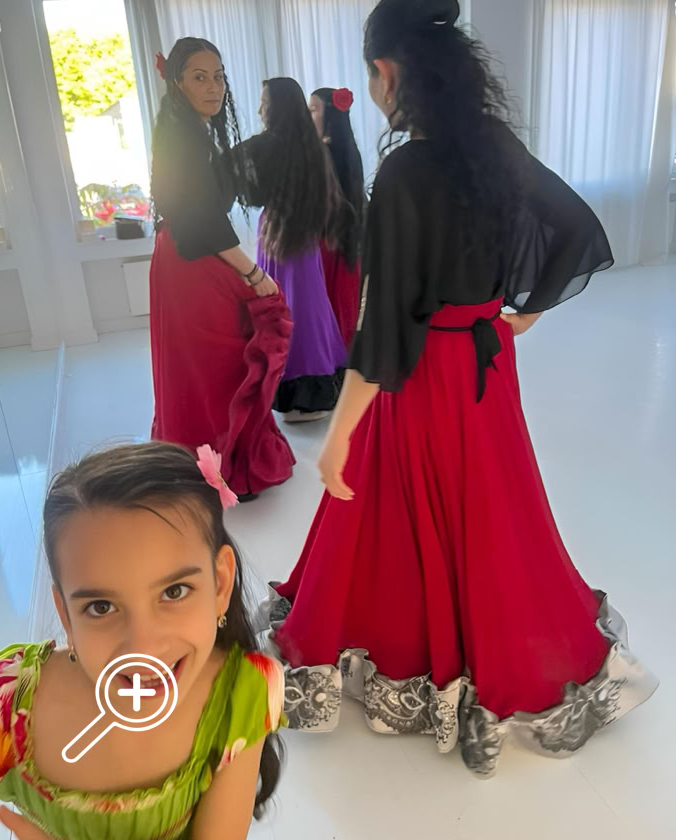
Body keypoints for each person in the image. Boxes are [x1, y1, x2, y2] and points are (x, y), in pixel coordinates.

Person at [258, 0, 658, 777]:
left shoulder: (404, 171)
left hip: (430, 371)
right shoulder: (490, 142)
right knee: (492, 502)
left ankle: (427, 646)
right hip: (487, 360)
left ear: (387, 72)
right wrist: (525, 310)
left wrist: (338, 434)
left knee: (413, 503)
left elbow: (384, 326)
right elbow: (577, 227)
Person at [0, 442, 286, 840]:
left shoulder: (243, 695)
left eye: (174, 592)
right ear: (66, 616)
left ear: (220, 585)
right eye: (101, 607)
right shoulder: (3, 704)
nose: (143, 648)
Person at [150, 38, 295, 499]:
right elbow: (203, 219)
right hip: (191, 259)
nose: (213, 87)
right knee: (219, 363)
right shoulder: (185, 137)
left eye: (218, 77)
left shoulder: (187, 131)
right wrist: (254, 274)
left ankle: (212, 456)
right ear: (178, 83)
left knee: (203, 364)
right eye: (200, 77)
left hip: (185, 257)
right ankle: (221, 461)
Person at [238, 78, 348, 423]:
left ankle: (302, 391)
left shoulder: (265, 146)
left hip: (282, 235)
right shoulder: (311, 147)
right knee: (308, 307)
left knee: (293, 307)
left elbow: (251, 194)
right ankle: (314, 387)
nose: (260, 109)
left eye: (265, 102)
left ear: (278, 106)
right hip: (300, 236)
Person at [309, 87, 365, 348]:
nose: (307, 116)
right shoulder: (350, 152)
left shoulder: (320, 153)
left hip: (323, 246)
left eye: (313, 109)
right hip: (346, 247)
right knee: (344, 312)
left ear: (329, 116)